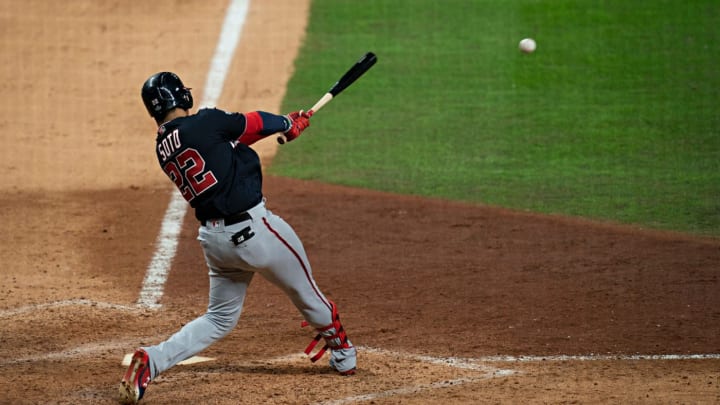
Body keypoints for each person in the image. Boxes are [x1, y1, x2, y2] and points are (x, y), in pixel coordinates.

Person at [118, 72, 357, 405]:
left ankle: (153, 359)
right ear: (179, 97)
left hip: (216, 242)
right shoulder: (206, 121)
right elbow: (254, 121)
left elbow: (227, 146)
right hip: (256, 232)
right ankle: (345, 357)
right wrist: (286, 123)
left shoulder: (165, 146)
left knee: (218, 318)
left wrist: (285, 126)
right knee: (306, 291)